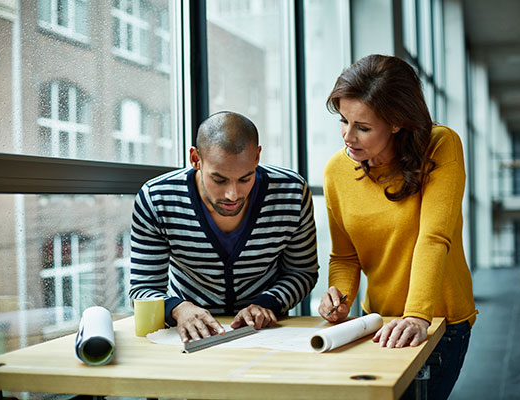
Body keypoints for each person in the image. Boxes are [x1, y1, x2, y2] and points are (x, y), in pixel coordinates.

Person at [317, 54, 478, 399]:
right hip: (375, 323)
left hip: (437, 322)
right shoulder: (336, 171)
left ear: (396, 123)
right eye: (343, 121)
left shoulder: (440, 145)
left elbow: (434, 237)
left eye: (363, 127)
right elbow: (344, 256)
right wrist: (339, 295)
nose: (348, 136)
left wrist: (418, 316)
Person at [130, 111, 319, 343]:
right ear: (195, 159)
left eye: (245, 179)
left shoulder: (292, 193)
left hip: (266, 333)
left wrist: (267, 303)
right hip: (188, 334)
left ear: (257, 156)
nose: (233, 194)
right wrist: (179, 309)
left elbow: (302, 272)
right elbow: (142, 288)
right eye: (219, 180)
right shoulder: (157, 198)